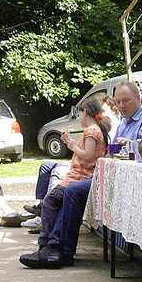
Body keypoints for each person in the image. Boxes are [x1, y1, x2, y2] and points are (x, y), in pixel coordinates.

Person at [20, 96, 110, 268]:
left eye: (79, 113)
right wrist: (71, 142)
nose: (79, 117)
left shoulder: (91, 131)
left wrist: (72, 147)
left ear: (85, 112)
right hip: (80, 176)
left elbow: (88, 155)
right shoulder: (95, 130)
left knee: (49, 201)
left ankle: (45, 245)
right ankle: (50, 246)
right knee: (58, 204)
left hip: (80, 176)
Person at [113, 81, 142, 146]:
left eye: (126, 100)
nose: (122, 106)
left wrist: (131, 145)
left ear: (138, 98)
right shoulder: (123, 123)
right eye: (118, 102)